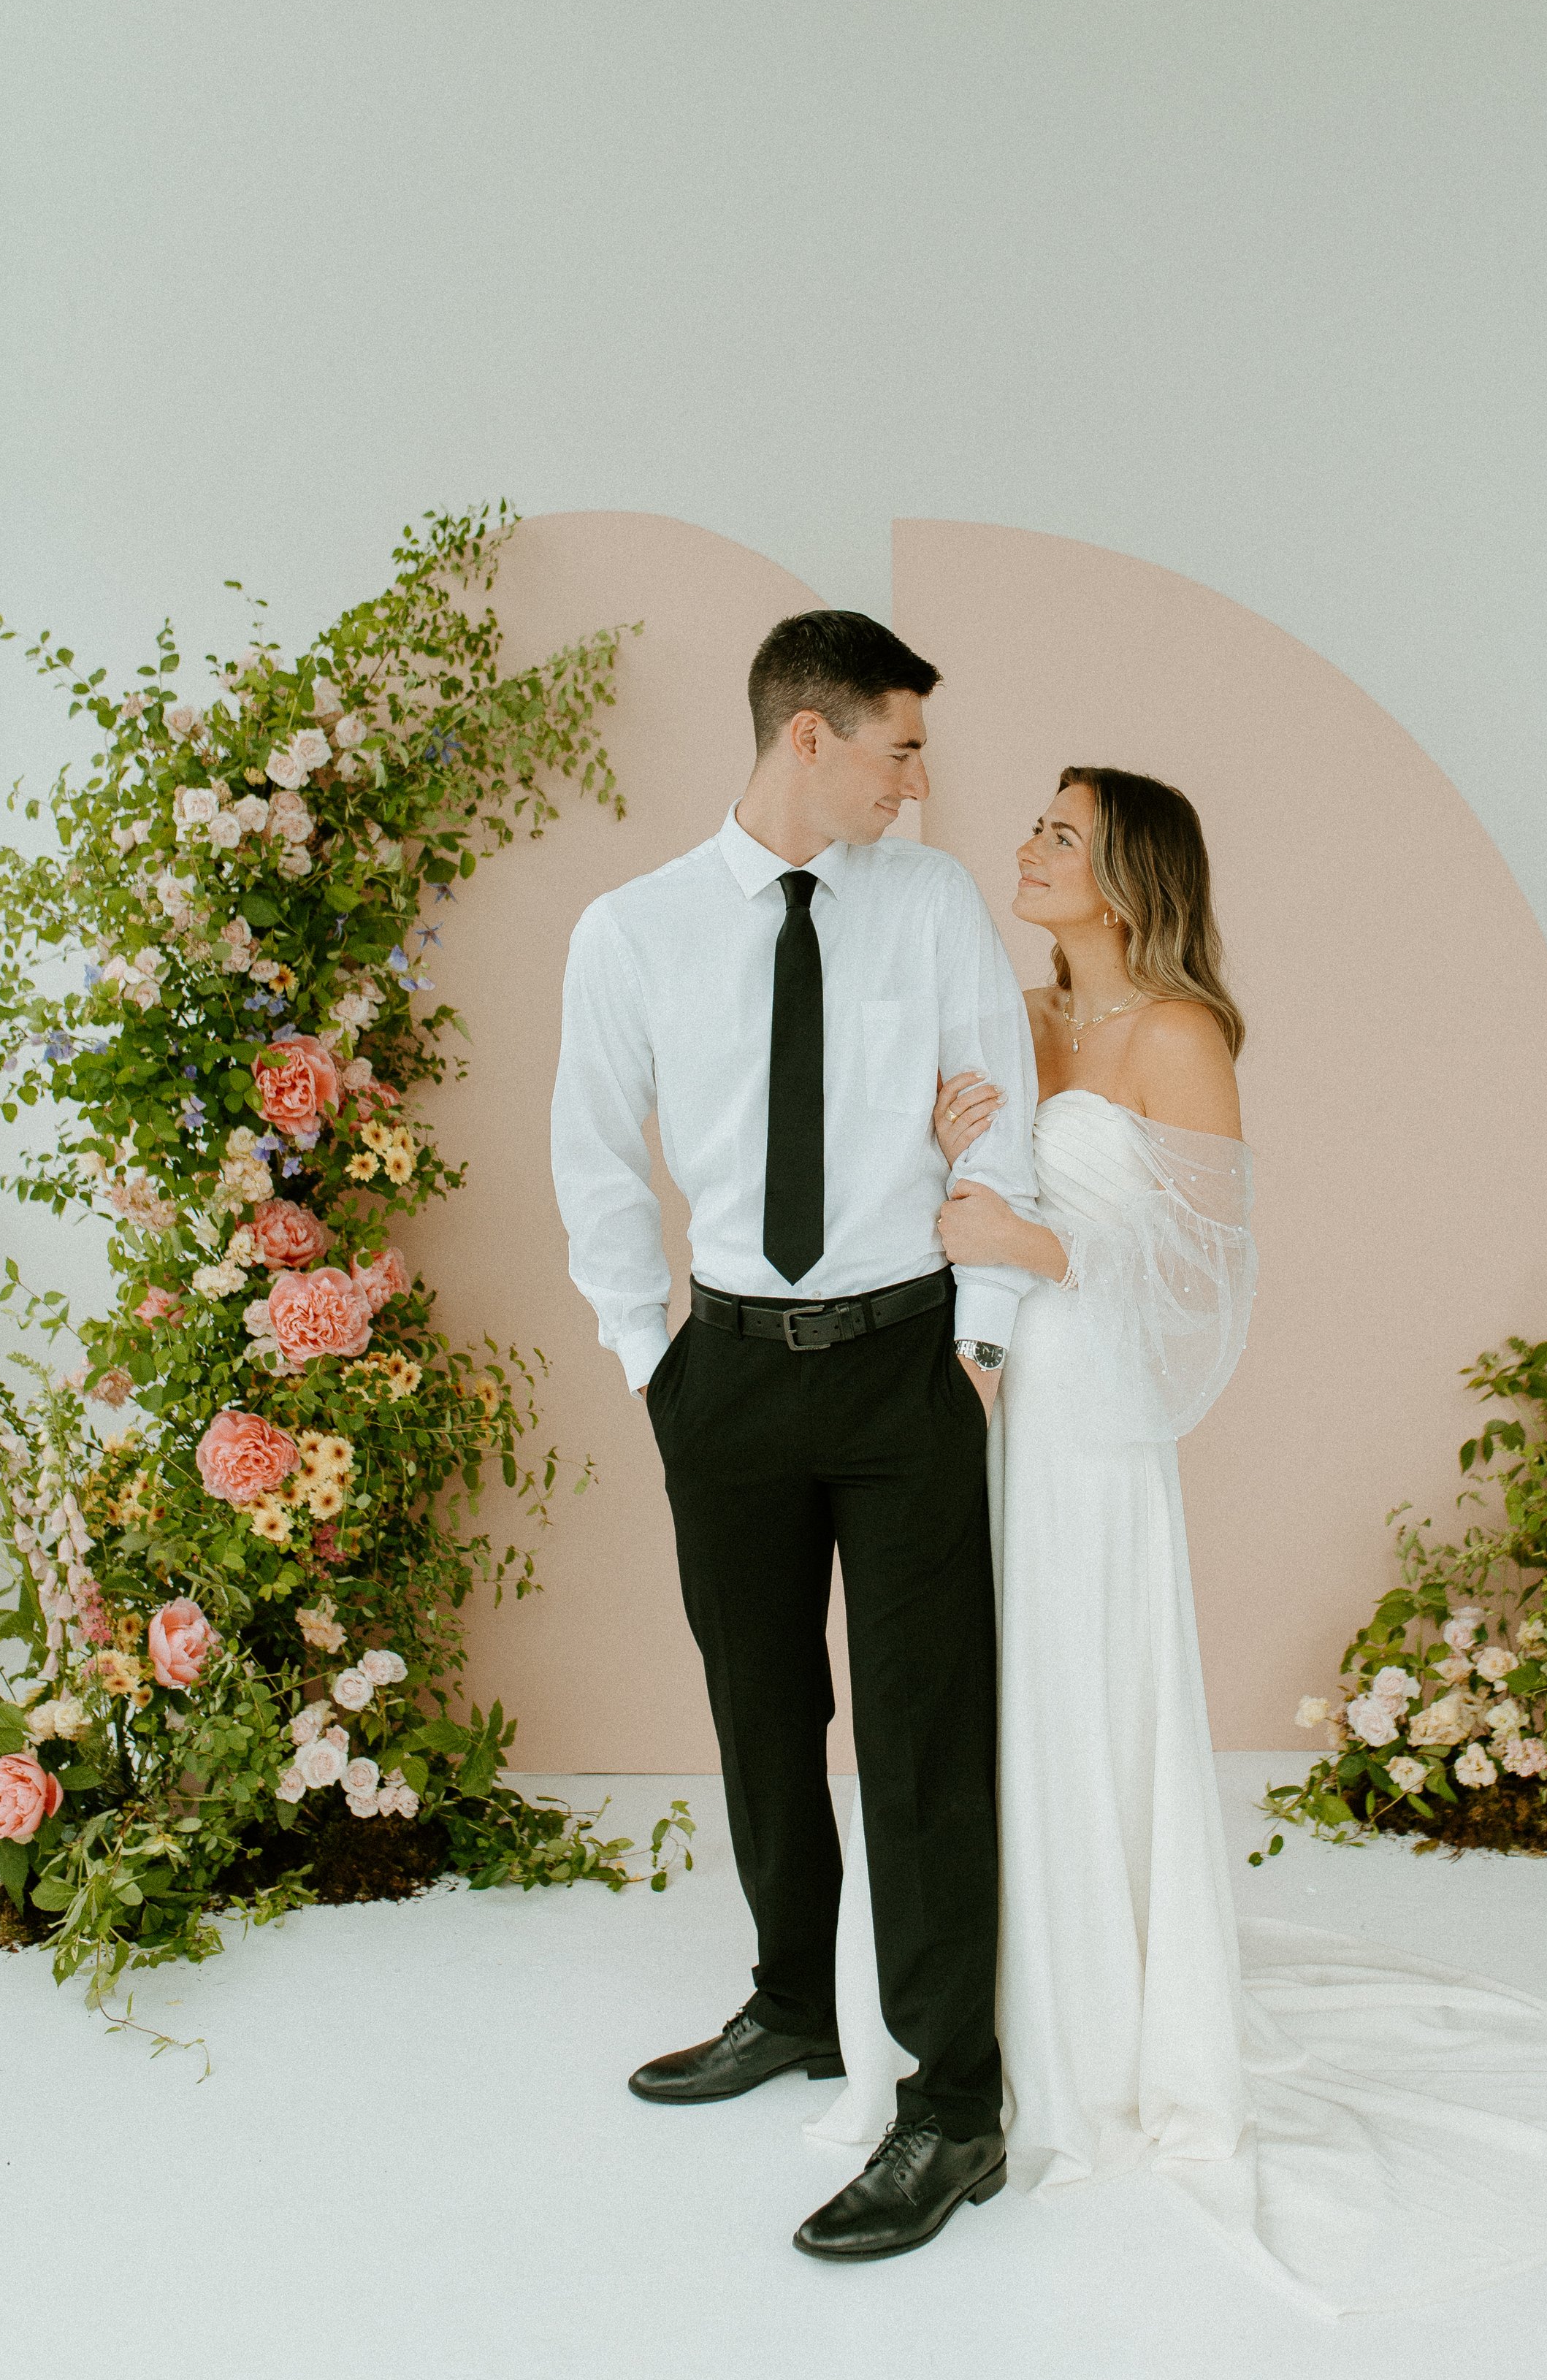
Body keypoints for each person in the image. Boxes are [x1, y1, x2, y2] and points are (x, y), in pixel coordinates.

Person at [809, 765, 1547, 2316]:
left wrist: (1020, 1238)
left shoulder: (1178, 1035)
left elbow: (1199, 1270)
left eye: (1060, 833)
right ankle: (954, 2021)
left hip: (1089, 1424)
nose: (1026, 849)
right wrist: (942, 1143)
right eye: (1033, 826)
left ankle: (1096, 2040)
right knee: (959, 1704)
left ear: (1128, 875)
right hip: (974, 1404)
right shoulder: (1014, 1016)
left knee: (1075, 1697)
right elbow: (925, 1201)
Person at [551, 611, 1042, 2262]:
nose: (921, 781)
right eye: (899, 746)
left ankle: (951, 2105)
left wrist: (977, 1346)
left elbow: (1007, 1113)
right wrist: (654, 1361)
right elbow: (595, 1158)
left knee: (919, 1736)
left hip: (910, 1364)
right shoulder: (633, 930)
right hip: (732, 1377)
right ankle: (792, 2001)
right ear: (808, 737)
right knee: (762, 1708)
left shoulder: (937, 904)